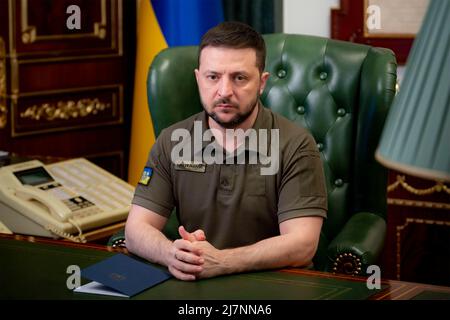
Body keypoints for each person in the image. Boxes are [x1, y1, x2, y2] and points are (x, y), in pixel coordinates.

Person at [125, 21, 327, 281]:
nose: (224, 91)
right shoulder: (172, 141)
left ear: (262, 82)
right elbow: (136, 229)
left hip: (272, 284)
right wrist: (172, 254)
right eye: (213, 77)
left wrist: (222, 261)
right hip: (193, 283)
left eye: (239, 78)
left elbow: (303, 245)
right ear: (199, 79)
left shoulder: (296, 144)